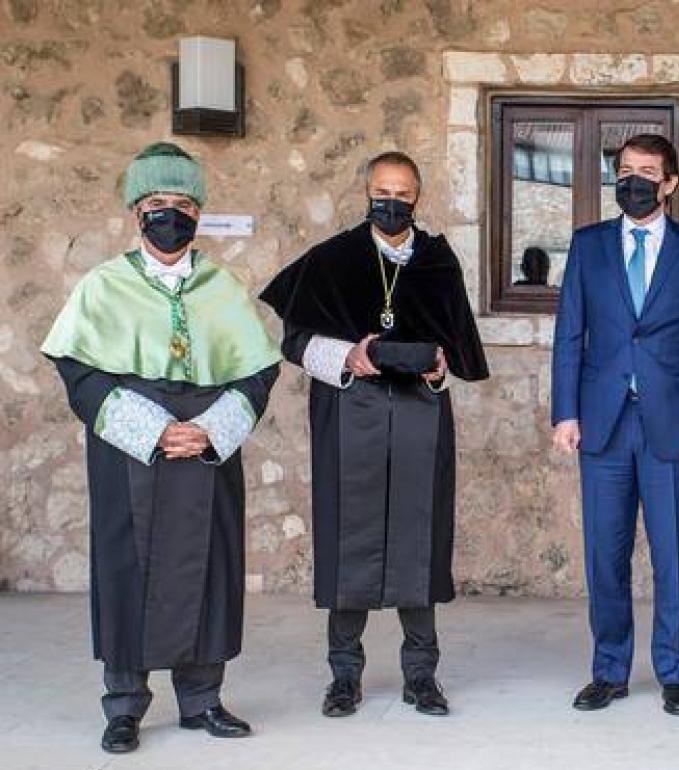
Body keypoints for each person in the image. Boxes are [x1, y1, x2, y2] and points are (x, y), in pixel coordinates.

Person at [41, 142, 281, 753]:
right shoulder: (103, 286)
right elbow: (80, 373)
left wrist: (211, 428)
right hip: (130, 450)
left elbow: (256, 372)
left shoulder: (223, 287)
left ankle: (202, 700)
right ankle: (123, 707)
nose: (168, 214)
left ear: (197, 212)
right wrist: (151, 429)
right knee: (128, 568)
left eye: (179, 203)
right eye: (155, 203)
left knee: (210, 566)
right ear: (135, 212)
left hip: (206, 446)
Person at [259, 151, 489, 719]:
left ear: (418, 197)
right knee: (350, 541)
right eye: (383, 190)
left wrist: (438, 370)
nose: (393, 201)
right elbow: (293, 342)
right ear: (367, 192)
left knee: (418, 540)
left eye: (404, 192)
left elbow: (456, 349)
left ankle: (422, 675)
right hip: (350, 414)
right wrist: (348, 356)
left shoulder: (437, 262)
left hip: (419, 416)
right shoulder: (333, 259)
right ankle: (344, 677)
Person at [551, 133, 679, 716]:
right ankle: (609, 669)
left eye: (647, 171)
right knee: (605, 553)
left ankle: (676, 672)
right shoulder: (588, 245)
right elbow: (569, 334)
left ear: (669, 183)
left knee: (672, 552)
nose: (633, 180)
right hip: (601, 423)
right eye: (624, 170)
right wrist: (565, 412)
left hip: (672, 425)